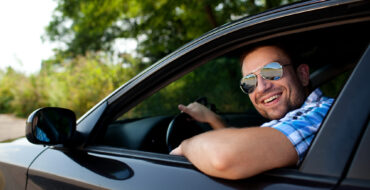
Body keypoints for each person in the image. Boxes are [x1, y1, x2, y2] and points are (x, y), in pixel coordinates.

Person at [170, 45, 334, 180]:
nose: (262, 87)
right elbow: (248, 149)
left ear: (302, 74)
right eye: (249, 81)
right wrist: (214, 119)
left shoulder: (323, 114)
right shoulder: (302, 119)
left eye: (272, 71)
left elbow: (225, 156)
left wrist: (185, 146)